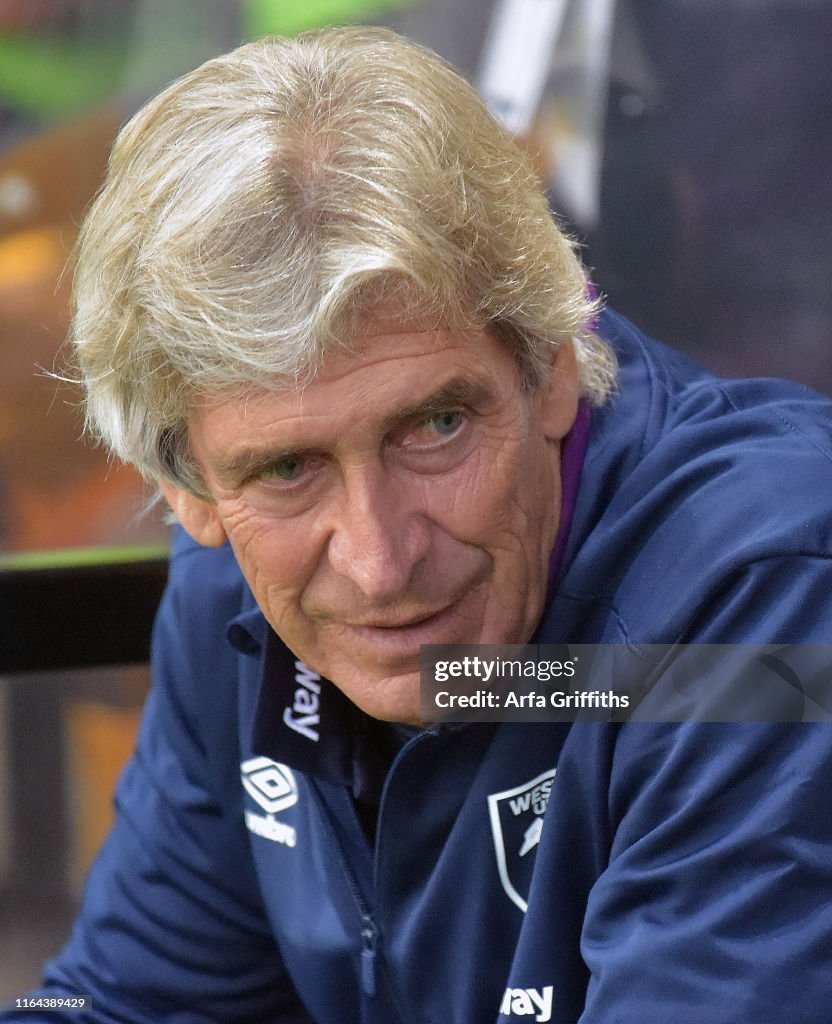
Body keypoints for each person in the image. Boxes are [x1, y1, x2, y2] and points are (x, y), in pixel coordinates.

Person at [5, 25, 832, 1024]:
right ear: (185, 490)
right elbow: (132, 1003)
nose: (381, 558)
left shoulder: (760, 593)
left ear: (555, 361)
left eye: (435, 427)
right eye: (287, 469)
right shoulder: (235, 587)